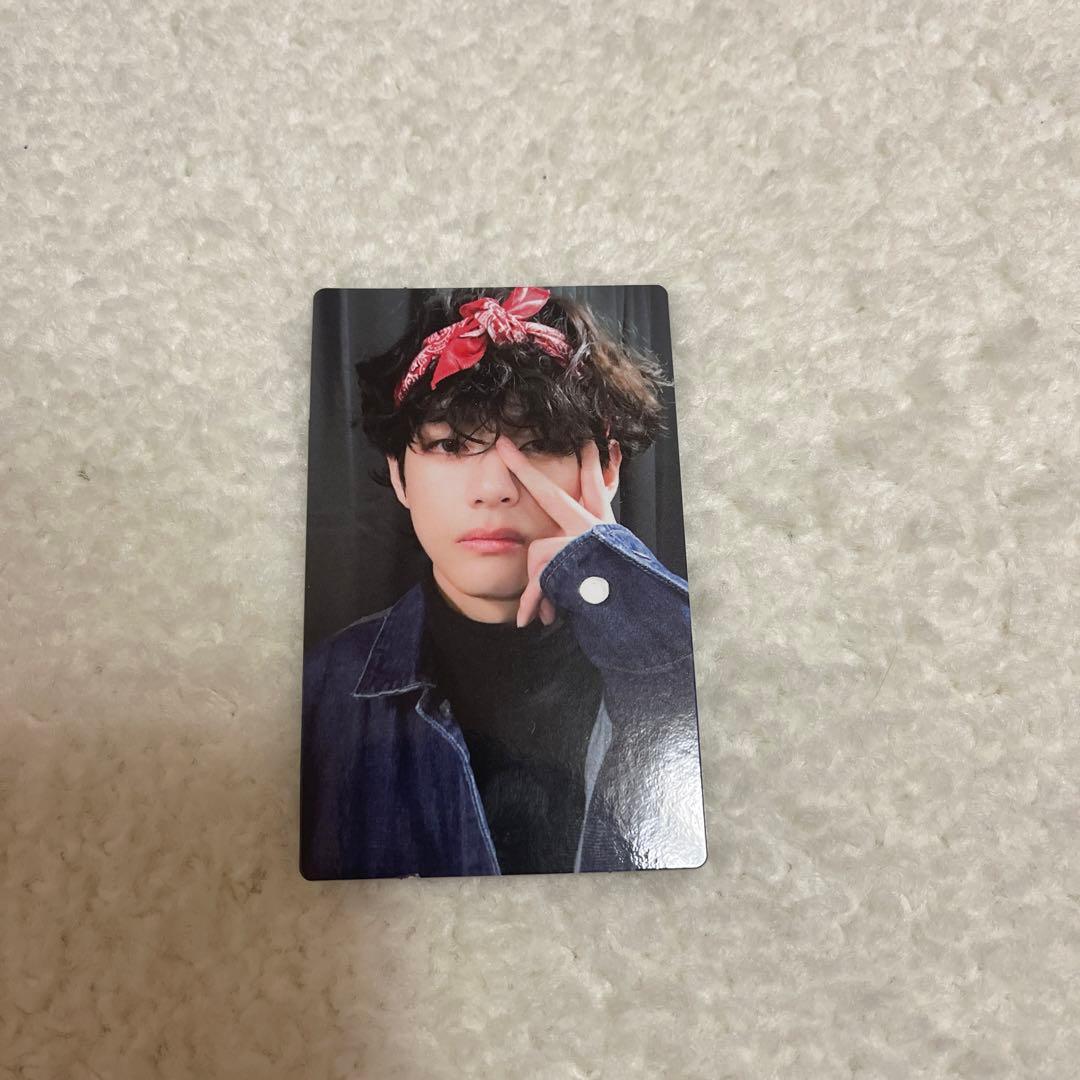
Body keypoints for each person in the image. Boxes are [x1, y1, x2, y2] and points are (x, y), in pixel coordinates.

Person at [300, 287, 707, 879]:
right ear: (400, 477)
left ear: (607, 467)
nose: (493, 489)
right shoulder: (320, 694)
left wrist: (628, 596)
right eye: (451, 444)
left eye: (538, 444)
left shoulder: (698, 660)